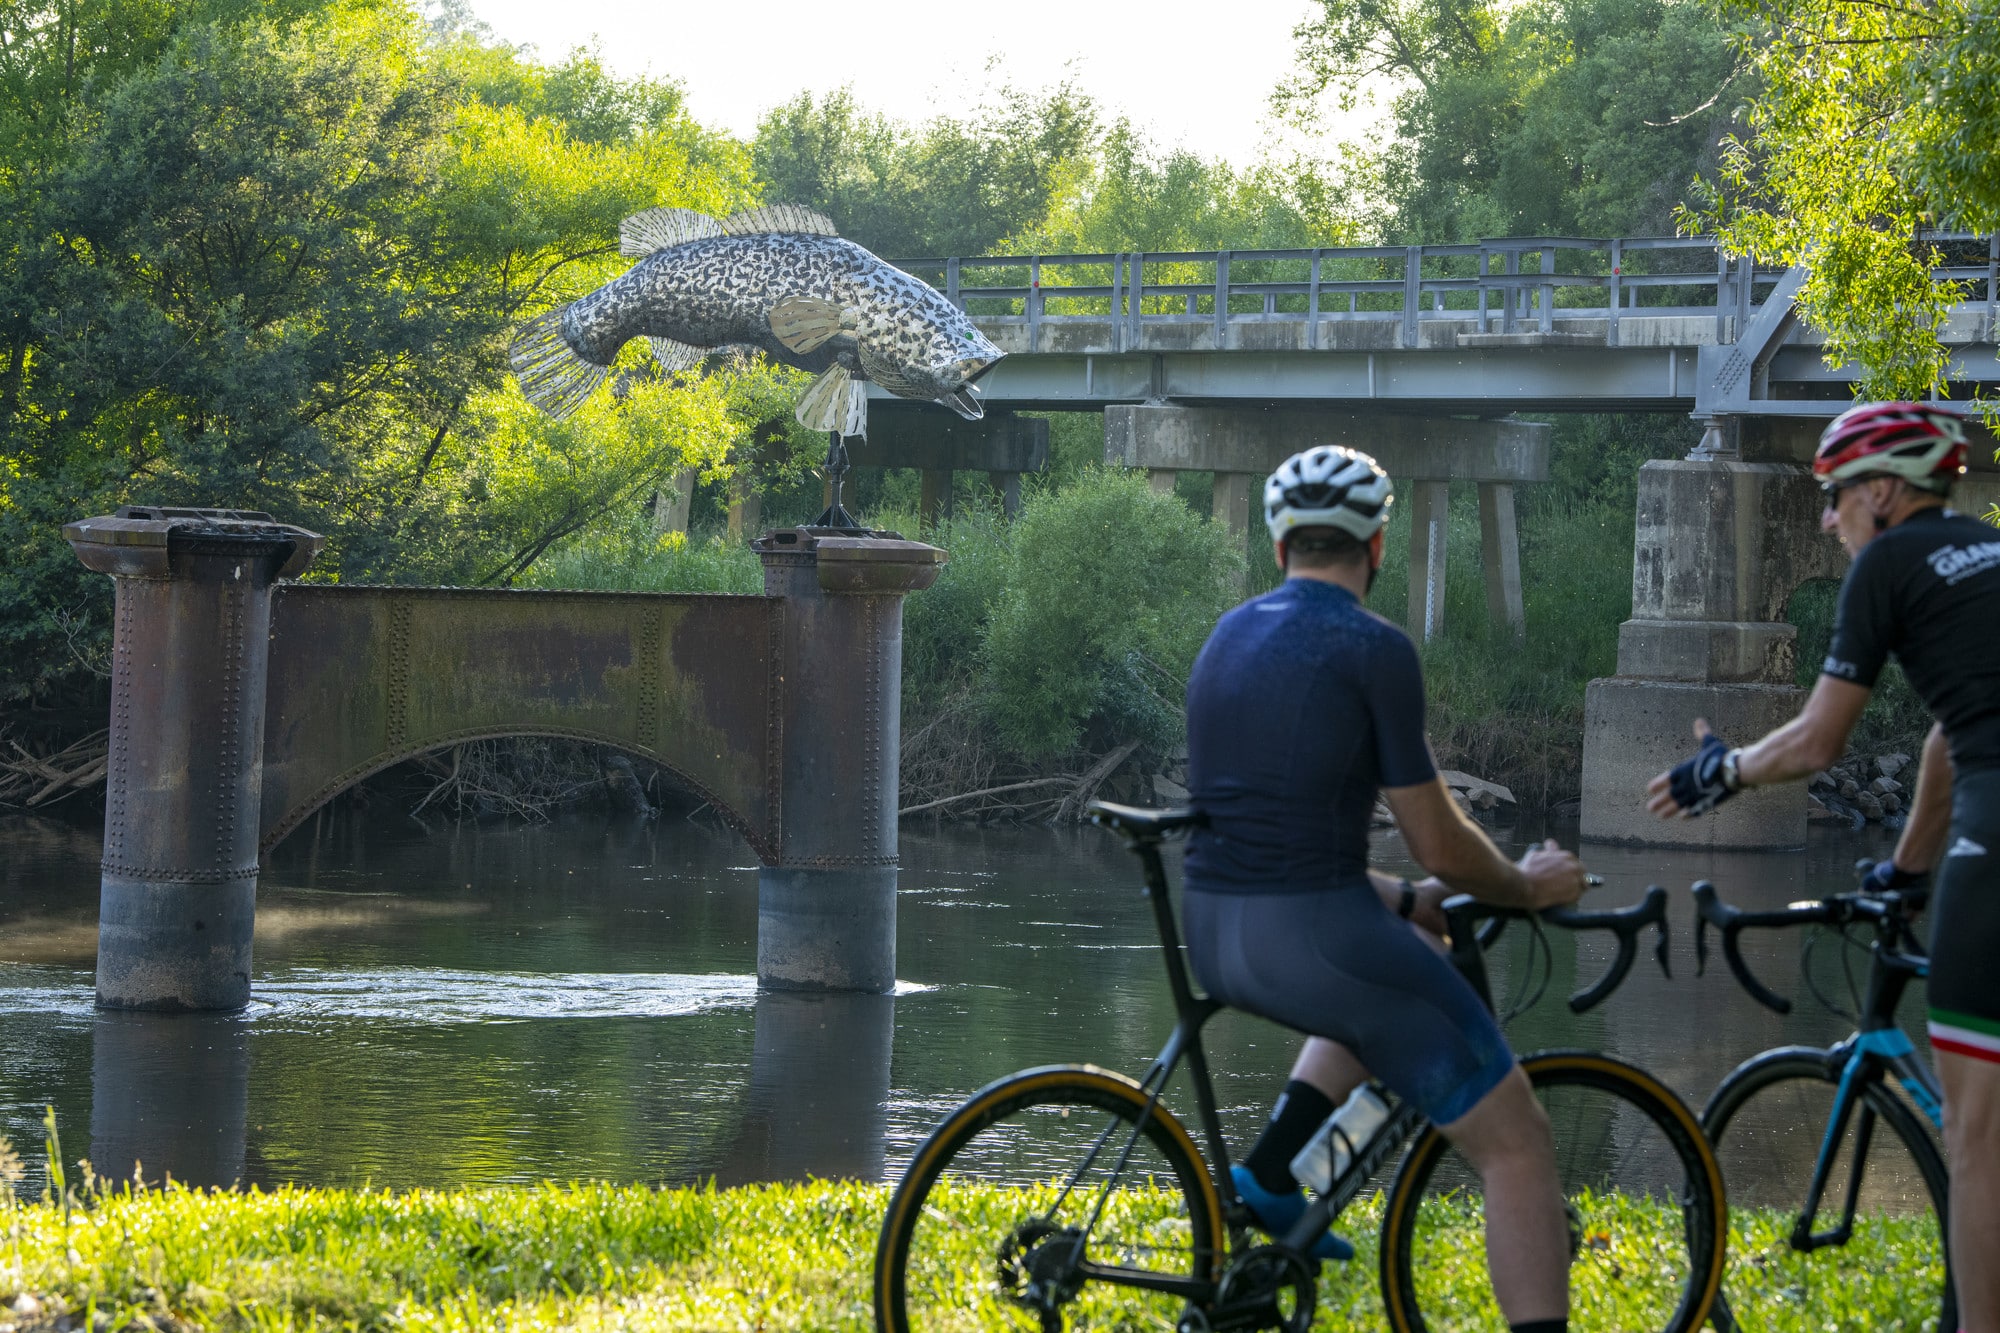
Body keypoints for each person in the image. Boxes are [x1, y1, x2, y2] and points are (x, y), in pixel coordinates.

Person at [1181, 444, 1587, 1333]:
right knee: (1517, 1143)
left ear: (1279, 547)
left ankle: (1276, 1172)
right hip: (1315, 943)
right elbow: (1439, 838)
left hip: (1213, 933)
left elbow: (1269, 840)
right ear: (1376, 548)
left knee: (1415, 948)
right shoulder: (1375, 648)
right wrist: (1523, 882)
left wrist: (1404, 903)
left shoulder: (1226, 636)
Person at [1645, 400, 2000, 1332]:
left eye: (1835, 494)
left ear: (1883, 493)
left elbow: (1813, 741)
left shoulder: (1889, 561)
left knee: (1978, 1140)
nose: (1824, 517)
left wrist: (1720, 769)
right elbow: (1948, 736)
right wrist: (1912, 866)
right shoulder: (1987, 551)